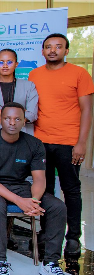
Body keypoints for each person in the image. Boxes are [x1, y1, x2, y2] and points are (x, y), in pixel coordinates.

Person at [0, 102, 70, 275]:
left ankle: (50, 263)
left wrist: (33, 201)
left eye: (17, 119)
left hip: (20, 186)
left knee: (57, 206)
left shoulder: (34, 144)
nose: (12, 122)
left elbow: (39, 179)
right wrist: (20, 201)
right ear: (0, 120)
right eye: (7, 118)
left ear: (24, 121)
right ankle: (0, 261)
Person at [29, 33, 94, 259]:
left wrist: (81, 143)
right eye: (48, 47)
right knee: (44, 190)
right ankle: (47, 232)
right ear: (43, 51)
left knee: (71, 189)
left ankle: (73, 237)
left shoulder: (79, 74)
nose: (52, 50)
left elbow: (87, 110)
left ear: (66, 51)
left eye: (58, 47)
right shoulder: (34, 74)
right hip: (40, 142)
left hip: (68, 143)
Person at [0, 49, 38, 135]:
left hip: (22, 134)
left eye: (9, 62)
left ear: (16, 64)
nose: (5, 65)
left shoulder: (29, 86)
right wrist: (20, 113)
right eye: (1, 62)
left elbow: (32, 114)